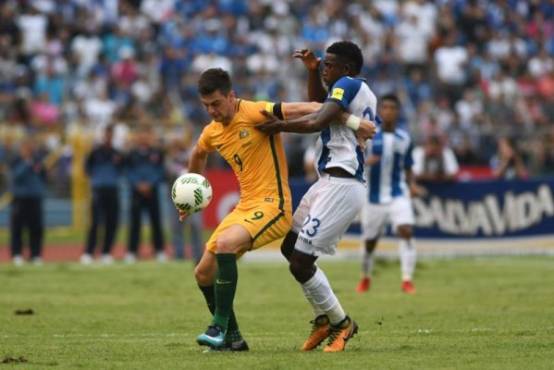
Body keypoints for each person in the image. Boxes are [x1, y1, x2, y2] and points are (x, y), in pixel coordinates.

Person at [181, 68, 373, 352]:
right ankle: (233, 338)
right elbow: (198, 154)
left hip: (273, 206)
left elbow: (310, 107)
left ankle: (219, 325)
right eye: (206, 106)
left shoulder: (256, 112)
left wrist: (353, 121)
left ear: (231, 96)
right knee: (203, 273)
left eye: (216, 104)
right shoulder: (212, 132)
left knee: (224, 245)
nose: (212, 111)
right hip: (245, 206)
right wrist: (190, 192)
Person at [257, 41, 378, 352]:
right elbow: (318, 105)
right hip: (328, 180)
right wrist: (312, 73)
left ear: (347, 69)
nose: (326, 67)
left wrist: (278, 126)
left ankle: (341, 323)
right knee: (289, 248)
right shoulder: (348, 89)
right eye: (324, 64)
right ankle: (325, 320)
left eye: (330, 64)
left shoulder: (348, 84)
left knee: (300, 262)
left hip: (342, 182)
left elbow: (316, 120)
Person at [356, 94, 425, 295]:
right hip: (373, 197)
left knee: (406, 231)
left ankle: (407, 279)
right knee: (370, 242)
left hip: (398, 194)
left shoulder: (404, 139)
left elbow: (409, 166)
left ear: (398, 112)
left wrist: (412, 185)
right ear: (380, 111)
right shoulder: (368, 135)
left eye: (392, 108)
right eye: (384, 107)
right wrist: (369, 162)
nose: (388, 111)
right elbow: (354, 160)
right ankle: (366, 276)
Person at [80, 125, 124, 265]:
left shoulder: (117, 153)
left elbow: (122, 169)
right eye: (107, 134)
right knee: (95, 222)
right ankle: (89, 252)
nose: (109, 136)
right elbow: (86, 168)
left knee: (111, 222)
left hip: (112, 189)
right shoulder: (95, 152)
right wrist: (98, 178)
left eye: (111, 134)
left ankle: (106, 252)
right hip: (98, 190)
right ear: (103, 135)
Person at [125, 125, 166, 263]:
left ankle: (159, 250)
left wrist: (150, 184)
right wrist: (137, 184)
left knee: (156, 221)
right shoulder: (131, 153)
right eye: (141, 134)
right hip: (136, 192)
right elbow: (128, 171)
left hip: (152, 191)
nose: (144, 137)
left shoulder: (157, 153)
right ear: (137, 136)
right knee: (135, 222)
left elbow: (160, 170)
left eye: (147, 134)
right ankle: (132, 251)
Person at [165, 134, 203, 263]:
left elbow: (197, 169)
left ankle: (198, 254)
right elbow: (171, 171)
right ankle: (178, 254)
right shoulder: (169, 159)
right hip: (174, 198)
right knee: (176, 226)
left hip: (192, 198)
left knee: (195, 225)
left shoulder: (191, 155)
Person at [9, 138, 47, 266]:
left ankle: (36, 255)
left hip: (35, 197)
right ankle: (17, 254)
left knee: (36, 228)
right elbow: (16, 176)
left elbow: (43, 175)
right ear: (21, 149)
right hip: (20, 197)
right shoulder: (16, 161)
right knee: (17, 228)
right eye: (26, 147)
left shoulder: (38, 160)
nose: (29, 150)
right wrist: (26, 163)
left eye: (31, 147)